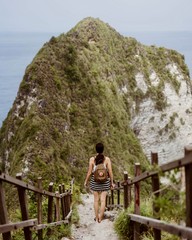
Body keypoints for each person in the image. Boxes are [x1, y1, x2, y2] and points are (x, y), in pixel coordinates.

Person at [84, 142, 115, 223]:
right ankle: (101, 218)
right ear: (103, 149)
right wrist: (112, 182)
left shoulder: (92, 159)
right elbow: (110, 172)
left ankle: (96, 217)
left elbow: (89, 172)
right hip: (105, 183)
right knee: (103, 200)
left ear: (96, 149)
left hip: (95, 183)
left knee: (96, 200)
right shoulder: (107, 159)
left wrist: (86, 181)